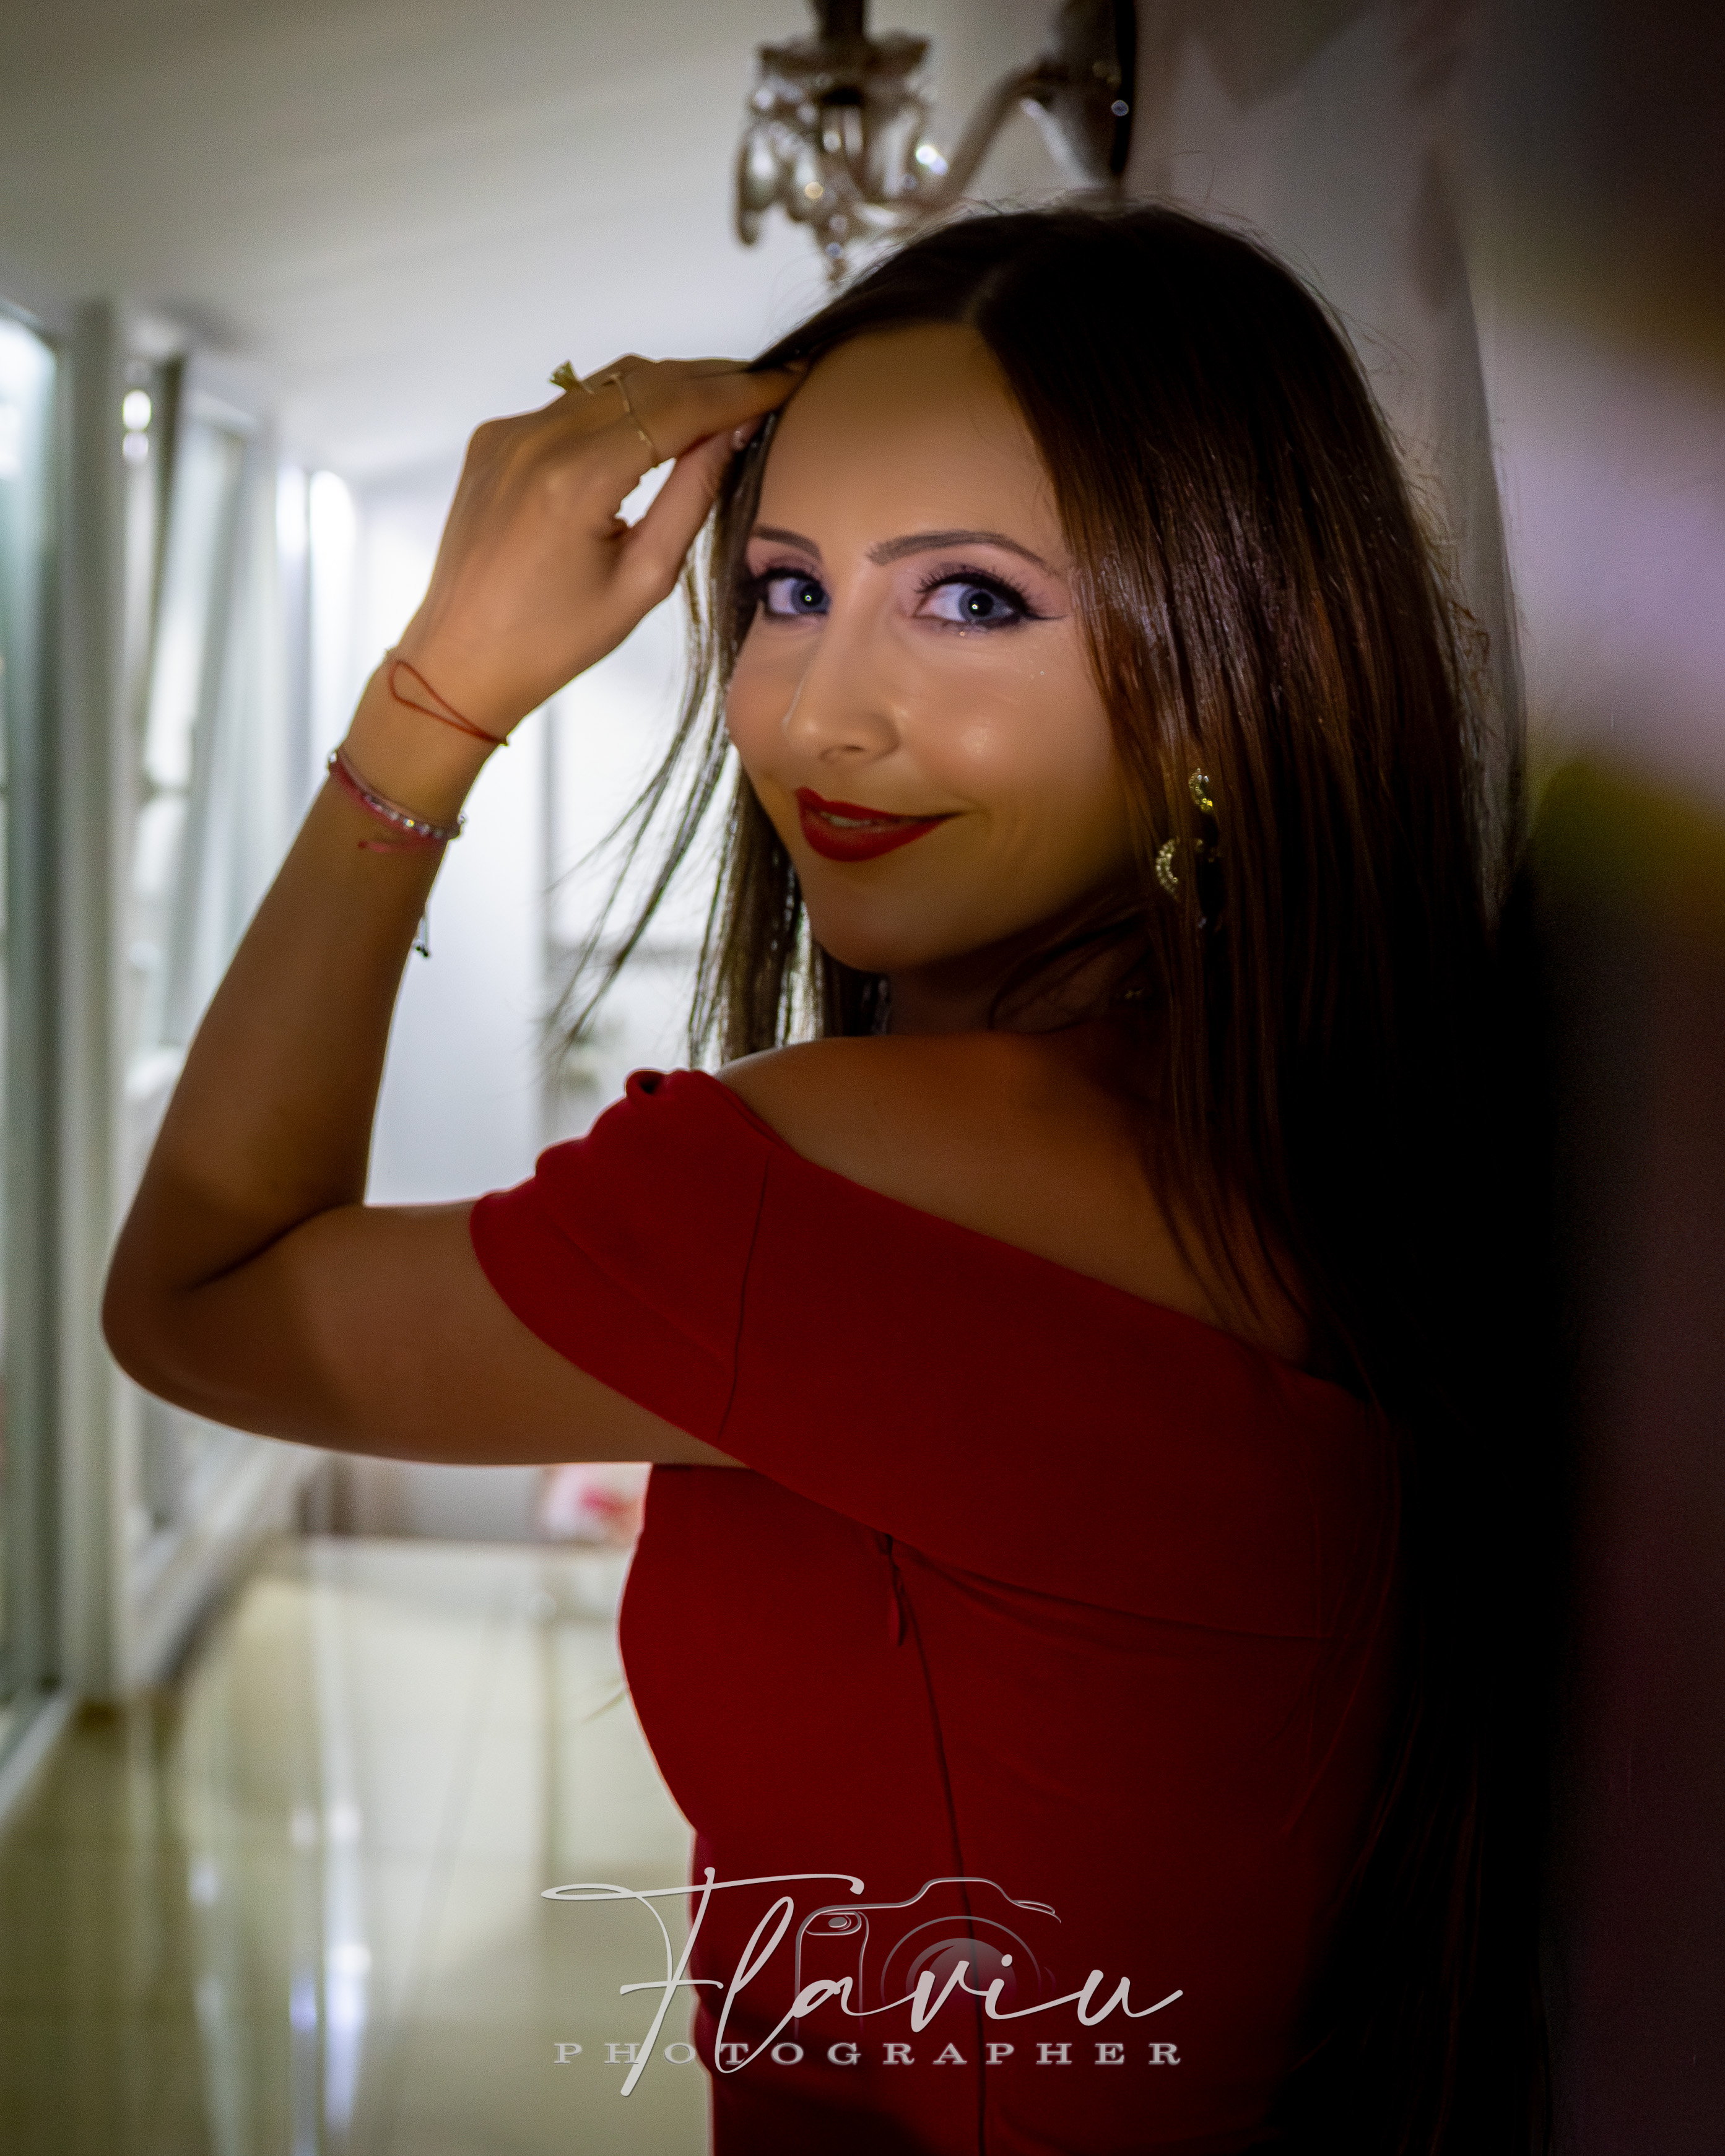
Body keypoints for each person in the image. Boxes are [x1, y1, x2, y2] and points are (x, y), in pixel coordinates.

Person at [104, 206, 1550, 2154]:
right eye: (787, 589)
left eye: (971, 600)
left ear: (1232, 663)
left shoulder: (851, 1171)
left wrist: (433, 695)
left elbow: (195, 1297)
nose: (817, 713)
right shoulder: (1291, 1113)